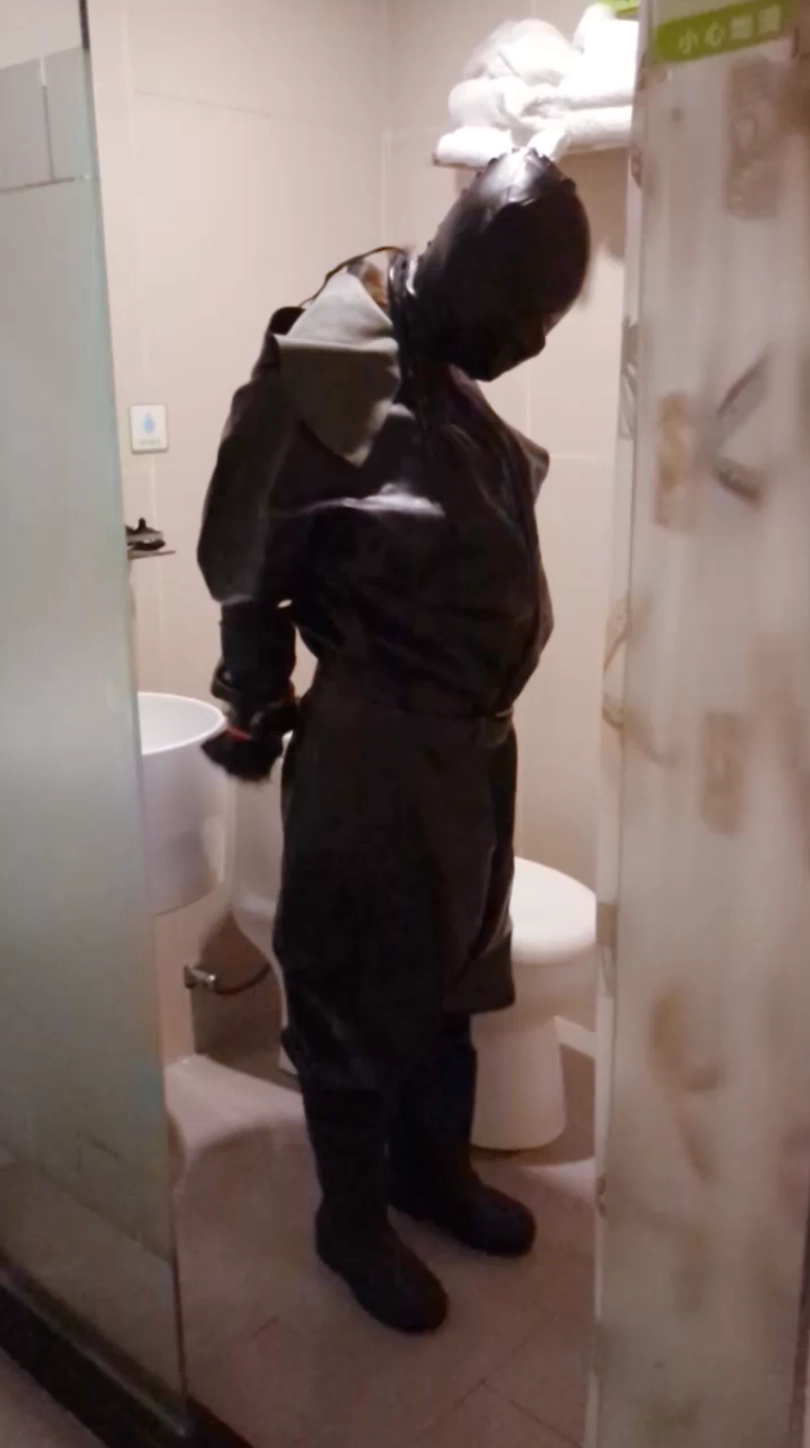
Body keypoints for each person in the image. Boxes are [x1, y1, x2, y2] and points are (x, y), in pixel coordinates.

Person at [198, 149, 591, 1335]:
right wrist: (251, 702)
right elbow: (249, 552)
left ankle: (432, 1171)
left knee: (457, 972)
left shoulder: (435, 354)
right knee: (361, 987)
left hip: (470, 746)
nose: (532, 348)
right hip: (378, 748)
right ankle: (353, 1216)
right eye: (525, 322)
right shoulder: (336, 352)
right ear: (470, 275)